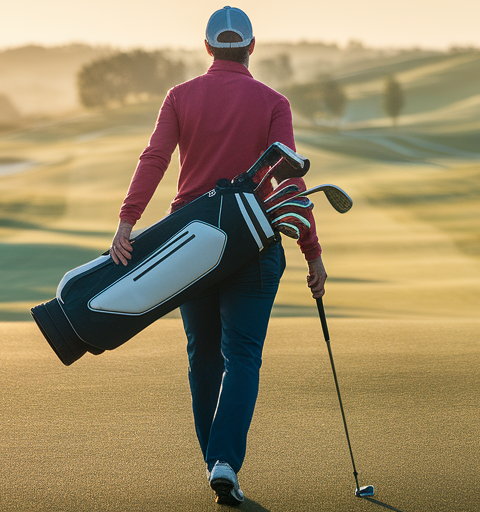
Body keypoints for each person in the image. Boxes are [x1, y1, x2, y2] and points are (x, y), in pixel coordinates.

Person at [109, 5, 326, 507]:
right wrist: (311, 251)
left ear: (208, 48)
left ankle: (217, 465)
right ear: (251, 47)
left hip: (192, 245)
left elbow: (155, 158)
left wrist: (127, 221)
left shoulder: (181, 96)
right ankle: (224, 462)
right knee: (242, 355)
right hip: (255, 243)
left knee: (203, 357)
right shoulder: (274, 101)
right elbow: (290, 181)